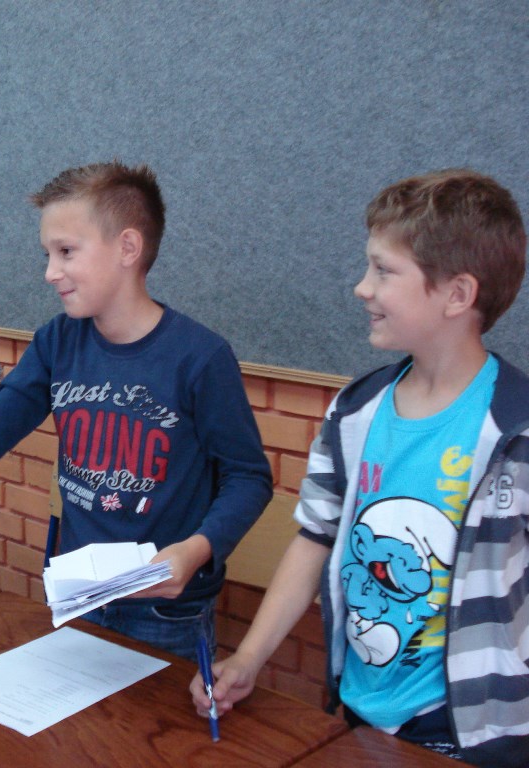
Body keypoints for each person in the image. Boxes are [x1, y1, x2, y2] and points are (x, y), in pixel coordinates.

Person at [0, 161, 273, 661]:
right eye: (48, 254)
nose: (50, 272)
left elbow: (249, 477)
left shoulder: (200, 358)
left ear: (127, 248)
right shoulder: (58, 341)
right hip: (81, 598)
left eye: (66, 252)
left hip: (165, 613)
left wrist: (198, 548)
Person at [189, 169, 529, 767]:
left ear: (457, 294)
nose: (361, 288)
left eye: (383, 271)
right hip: (357, 708)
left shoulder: (515, 429)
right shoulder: (355, 412)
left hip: (474, 736)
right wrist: (248, 657)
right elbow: (314, 539)